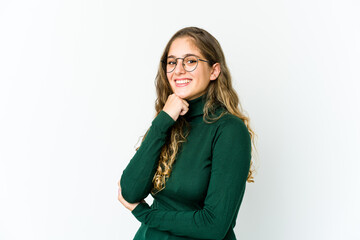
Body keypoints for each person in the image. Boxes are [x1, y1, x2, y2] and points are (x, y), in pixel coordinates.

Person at [117, 26, 256, 240]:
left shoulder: (229, 130)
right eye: (172, 62)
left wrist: (144, 213)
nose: (178, 70)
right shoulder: (168, 121)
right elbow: (130, 191)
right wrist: (163, 120)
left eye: (190, 61)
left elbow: (213, 225)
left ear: (214, 70)